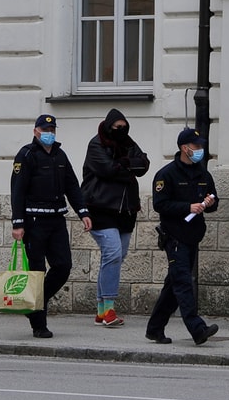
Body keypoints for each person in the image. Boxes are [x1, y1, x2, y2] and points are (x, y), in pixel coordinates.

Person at [11, 114, 92, 338]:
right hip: (34, 221)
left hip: (56, 220)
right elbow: (17, 191)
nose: (49, 133)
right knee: (37, 272)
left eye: (52, 129)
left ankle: (36, 302)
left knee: (63, 266)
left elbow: (72, 186)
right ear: (35, 130)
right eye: (45, 129)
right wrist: (17, 223)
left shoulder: (60, 155)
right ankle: (39, 325)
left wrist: (83, 211)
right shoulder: (27, 155)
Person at [145, 128, 219, 346]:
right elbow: (160, 204)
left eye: (200, 146)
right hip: (174, 237)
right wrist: (187, 206)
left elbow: (214, 198)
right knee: (184, 283)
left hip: (193, 236)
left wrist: (210, 203)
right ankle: (197, 329)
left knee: (173, 285)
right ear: (184, 148)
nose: (199, 150)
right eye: (196, 147)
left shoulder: (203, 174)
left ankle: (155, 329)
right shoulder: (166, 174)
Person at [81, 109, 150, 327]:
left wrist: (125, 164)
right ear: (109, 125)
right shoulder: (96, 144)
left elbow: (144, 164)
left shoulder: (128, 142)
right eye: (116, 127)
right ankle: (109, 309)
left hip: (125, 210)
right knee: (112, 253)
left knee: (116, 257)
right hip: (100, 208)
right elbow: (108, 169)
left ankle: (101, 310)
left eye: (124, 127)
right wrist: (129, 165)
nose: (121, 131)